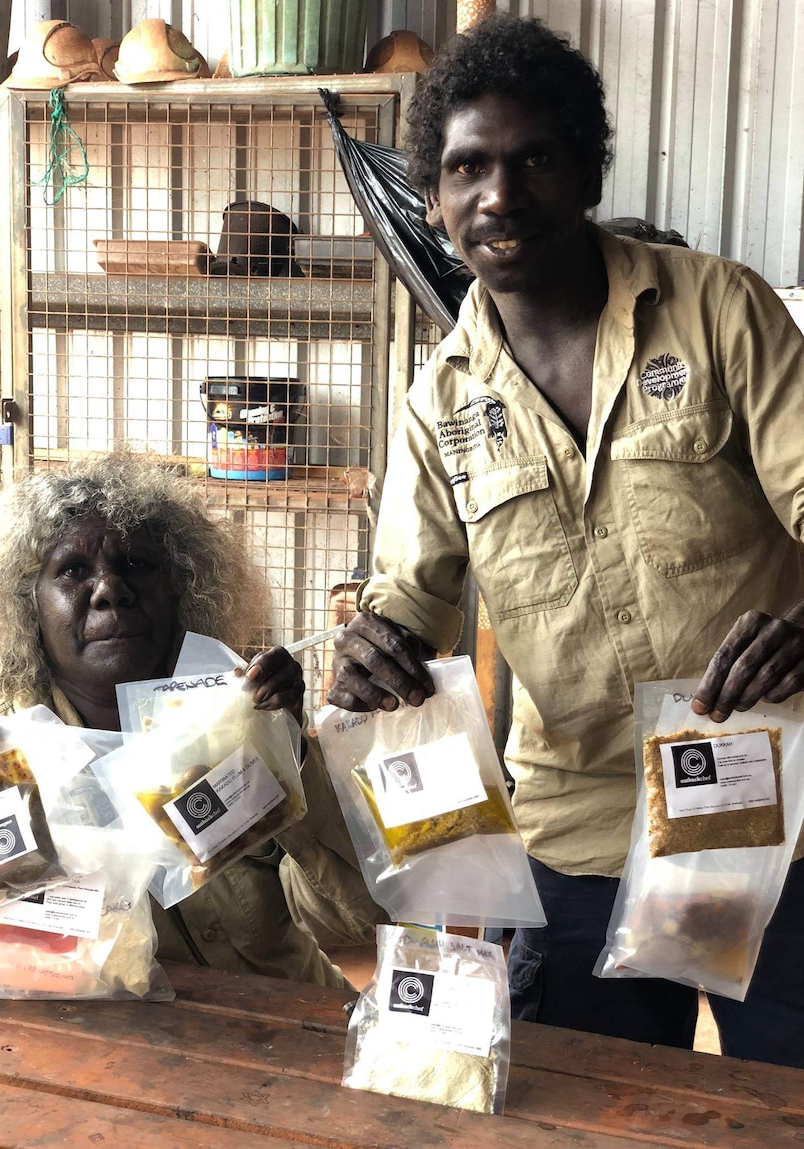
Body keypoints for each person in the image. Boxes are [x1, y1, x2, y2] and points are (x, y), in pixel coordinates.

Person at [327, 13, 804, 1066]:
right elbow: (411, 593)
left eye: (532, 158)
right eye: (466, 168)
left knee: (781, 1100)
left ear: (584, 168)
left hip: (758, 800)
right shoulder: (439, 405)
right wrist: (374, 645)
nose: (499, 195)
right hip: (575, 829)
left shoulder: (720, 313)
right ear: (438, 195)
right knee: (585, 1107)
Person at [0, 451, 384, 986]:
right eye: (73, 571)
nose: (110, 589)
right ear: (24, 609)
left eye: (136, 564)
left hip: (277, 1025)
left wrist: (294, 754)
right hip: (95, 1043)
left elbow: (358, 920)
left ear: (184, 591)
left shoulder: (237, 721)